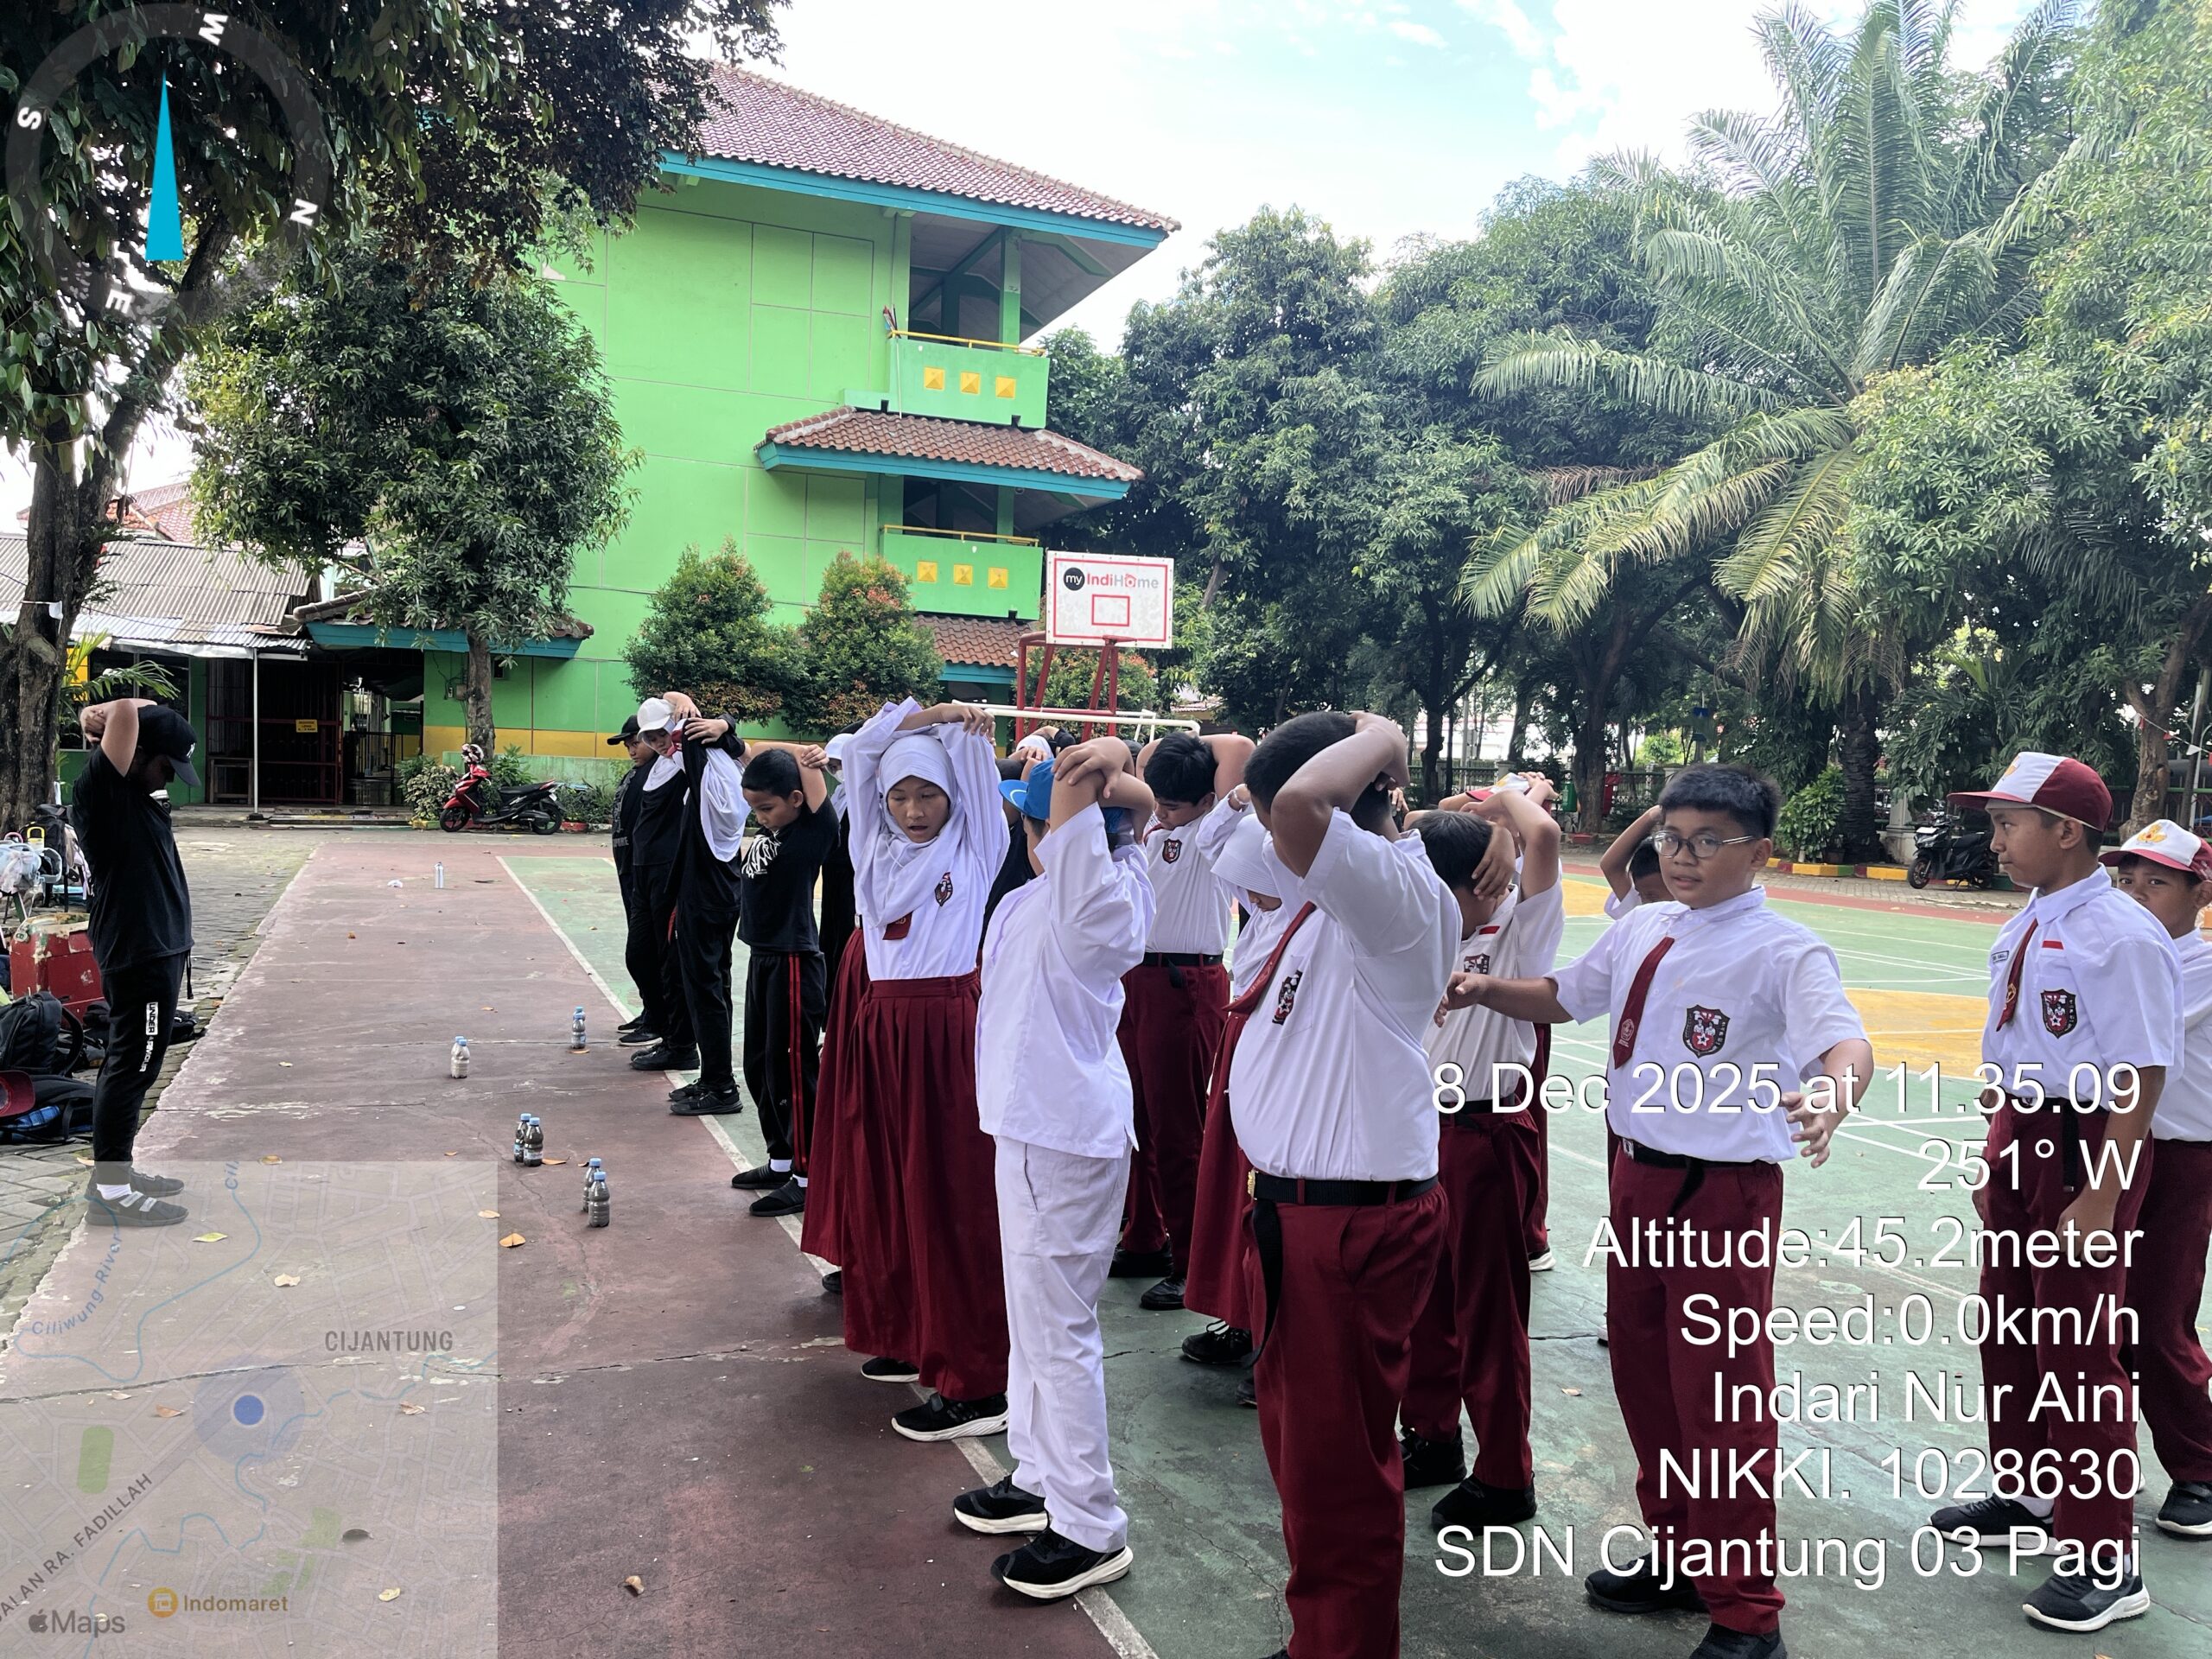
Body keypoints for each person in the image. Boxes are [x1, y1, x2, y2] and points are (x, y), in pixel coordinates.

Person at [1449, 763, 1872, 1659]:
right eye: (1672, 838)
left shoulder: (1785, 950)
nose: (1682, 857)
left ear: (1759, 853)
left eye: (1707, 841)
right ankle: (1681, 1554)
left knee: (1719, 1396)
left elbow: (1843, 1043)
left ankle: (1748, 1615)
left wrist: (1833, 1096)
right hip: (1637, 1180)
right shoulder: (1644, 924)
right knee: (1645, 1378)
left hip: (1721, 1192)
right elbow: (1566, 995)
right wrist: (1486, 989)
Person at [1924, 753, 2176, 1633]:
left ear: (2066, 831)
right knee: (2008, 1327)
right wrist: (1999, 1153)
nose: (1993, 841)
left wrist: (2102, 1197)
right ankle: (2031, 1493)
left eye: (2007, 824)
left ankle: (2106, 1558)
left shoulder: (2120, 933)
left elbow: (2143, 1071)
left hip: (2084, 1147)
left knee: (2077, 1353)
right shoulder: (2033, 916)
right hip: (2025, 1139)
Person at [1228, 710, 1459, 1659]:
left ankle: (1342, 1648)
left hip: (1348, 1224)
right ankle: (1319, 1638)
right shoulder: (1317, 895)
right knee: (1306, 1453)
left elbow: (1294, 804)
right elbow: (1271, 801)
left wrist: (1385, 735)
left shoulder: (1395, 894)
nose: (1270, 836)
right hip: (1298, 1214)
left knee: (1338, 1465)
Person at [955, 742, 1156, 1599]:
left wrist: (1101, 759)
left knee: (1058, 1330)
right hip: (1040, 1129)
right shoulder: (1094, 882)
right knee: (1035, 1321)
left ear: (1057, 834)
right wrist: (1114, 787)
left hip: (1057, 1136)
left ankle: (1087, 1523)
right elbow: (1126, 815)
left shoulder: (1090, 899)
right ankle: (1038, 1474)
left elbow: (1087, 806)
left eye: (1030, 821)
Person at [834, 697, 1011, 1440]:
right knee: (892, 1186)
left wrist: (956, 731)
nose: (913, 810)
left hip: (944, 1031)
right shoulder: (872, 851)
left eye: (929, 794)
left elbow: (969, 774)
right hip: (884, 1029)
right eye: (900, 795)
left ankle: (978, 1381)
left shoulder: (974, 848)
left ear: (953, 797)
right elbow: (857, 752)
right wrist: (925, 714)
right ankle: (913, 1333)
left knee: (949, 1196)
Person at [1399, 781, 1565, 1535]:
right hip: (1420, 1132)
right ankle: (1431, 1435)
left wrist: (1503, 802)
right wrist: (1480, 820)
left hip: (1485, 1130)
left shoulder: (1517, 925)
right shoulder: (1420, 924)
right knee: (1426, 1300)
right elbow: (1410, 832)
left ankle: (1505, 1475)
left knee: (1488, 1311)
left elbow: (1546, 838)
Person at [1114, 732, 1254, 1311]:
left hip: (1186, 981)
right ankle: (1145, 1236)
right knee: (1134, 1118)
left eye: (1174, 805)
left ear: (1206, 800)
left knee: (1179, 1130)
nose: (1163, 811)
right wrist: (1171, 764)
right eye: (1159, 801)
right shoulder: (1155, 823)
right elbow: (1149, 763)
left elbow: (1237, 746)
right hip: (1136, 981)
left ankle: (1192, 1260)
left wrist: (1195, 750)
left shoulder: (1211, 832)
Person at [2104, 820, 2212, 1540]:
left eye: (2157, 882)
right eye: (2128, 881)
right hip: (2119, 1147)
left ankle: (2201, 1466)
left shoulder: (2194, 966)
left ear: (2201, 894)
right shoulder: (2134, 956)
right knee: (2095, 1317)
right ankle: (2098, 1461)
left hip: (2180, 1158)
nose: (2137, 895)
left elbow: (2126, 1043)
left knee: (2157, 1316)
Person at [1178, 790, 1299, 1393]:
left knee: (1269, 1203)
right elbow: (1212, 845)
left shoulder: (1310, 921)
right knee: (1233, 1191)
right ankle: (1243, 1318)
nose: (1248, 897)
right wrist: (1237, 801)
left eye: (1259, 884)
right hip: (1242, 1050)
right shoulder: (1269, 915)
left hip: (1282, 1062)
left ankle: (1272, 1339)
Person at [72, 699, 198, 1227]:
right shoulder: (102, 791)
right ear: (137, 751)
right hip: (138, 952)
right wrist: (100, 717)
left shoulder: (135, 792)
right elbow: (126, 709)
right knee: (131, 1066)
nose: (170, 777)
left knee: (138, 1066)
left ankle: (115, 1172)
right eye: (166, 764)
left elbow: (133, 721)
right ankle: (111, 1193)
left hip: (156, 949)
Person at [726, 744, 837, 1215]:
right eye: (754, 809)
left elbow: (812, 774)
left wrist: (811, 757)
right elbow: (753, 754)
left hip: (794, 963)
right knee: (759, 1066)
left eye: (766, 808)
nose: (760, 818)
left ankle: (809, 1177)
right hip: (764, 959)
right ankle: (781, 1160)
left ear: (795, 799)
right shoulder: (777, 829)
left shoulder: (812, 832)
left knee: (792, 1072)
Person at [623, 698, 697, 1072]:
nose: (657, 742)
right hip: (642, 873)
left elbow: (712, 729)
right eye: (649, 737)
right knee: (638, 954)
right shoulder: (653, 767)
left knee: (670, 962)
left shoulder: (687, 762)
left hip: (669, 874)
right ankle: (661, 1025)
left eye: (662, 734)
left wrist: (680, 700)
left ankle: (679, 1044)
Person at [606, 715, 662, 1046]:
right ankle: (650, 1008)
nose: (630, 749)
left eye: (635, 742)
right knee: (641, 948)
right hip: (629, 870)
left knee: (645, 951)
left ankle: (658, 1017)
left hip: (647, 874)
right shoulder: (636, 773)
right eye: (627, 744)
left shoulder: (660, 774)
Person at [1600, 802, 1674, 916]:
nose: (1646, 903)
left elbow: (1610, 867)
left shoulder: (1692, 912)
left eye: (1652, 897)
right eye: (1640, 895)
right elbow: (1609, 866)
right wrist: (1652, 815)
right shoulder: (1639, 910)